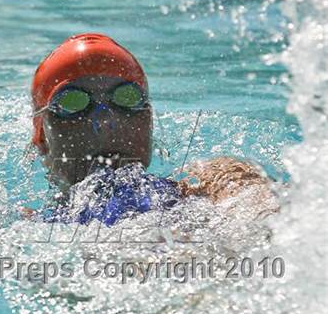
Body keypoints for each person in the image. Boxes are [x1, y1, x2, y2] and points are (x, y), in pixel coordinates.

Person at [30, 33, 271, 226]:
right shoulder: (30, 228)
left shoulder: (209, 183)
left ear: (149, 120)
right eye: (74, 103)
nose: (105, 121)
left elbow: (268, 218)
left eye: (126, 98)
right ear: (41, 136)